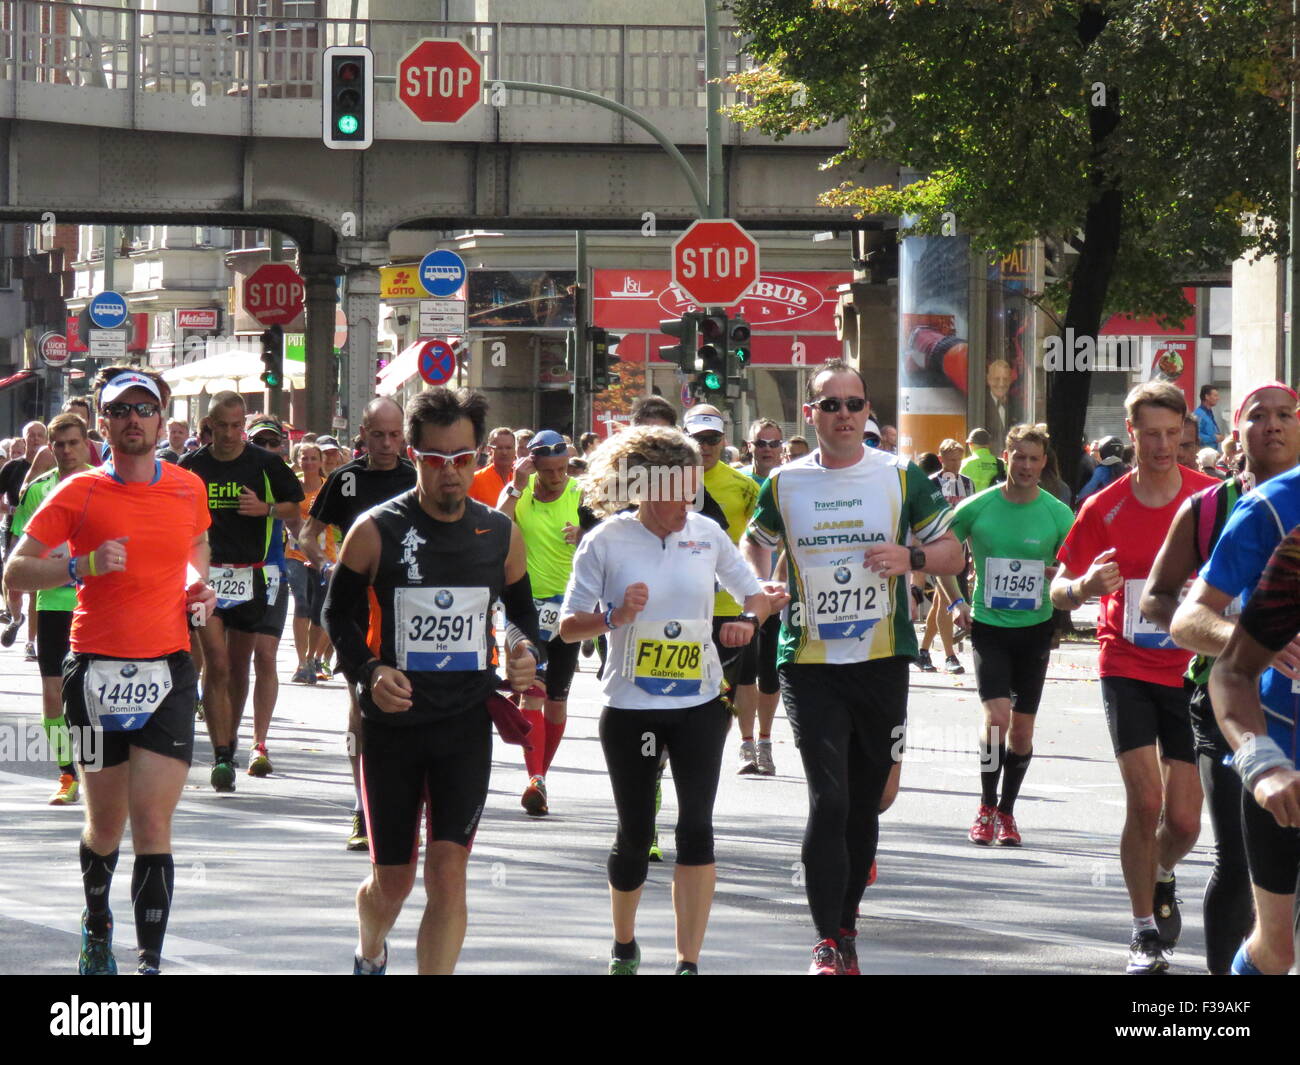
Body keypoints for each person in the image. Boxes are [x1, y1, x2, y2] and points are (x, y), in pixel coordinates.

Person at [743, 359, 964, 975]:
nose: (843, 414)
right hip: (808, 662)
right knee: (829, 799)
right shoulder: (784, 482)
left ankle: (848, 925)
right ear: (810, 414)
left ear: (869, 413)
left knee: (867, 803)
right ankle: (826, 941)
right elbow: (756, 540)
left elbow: (952, 552)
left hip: (883, 660)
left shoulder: (899, 477)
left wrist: (911, 554)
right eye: (830, 404)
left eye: (854, 404)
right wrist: (760, 582)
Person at [3, 365, 215, 975]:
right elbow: (15, 571)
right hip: (94, 670)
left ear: (160, 420)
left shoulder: (185, 488)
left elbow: (196, 548)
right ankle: (97, 924)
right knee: (106, 825)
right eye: (120, 411)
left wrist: (201, 588)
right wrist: (81, 565)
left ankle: (149, 961)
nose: (132, 421)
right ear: (105, 423)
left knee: (153, 822)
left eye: (143, 410)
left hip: (168, 669)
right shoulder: (78, 492)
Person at [323, 387, 541, 975]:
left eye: (463, 458)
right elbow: (336, 615)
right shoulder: (375, 530)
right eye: (437, 459)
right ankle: (371, 950)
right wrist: (368, 673)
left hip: (464, 723)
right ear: (414, 456)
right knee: (391, 882)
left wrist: (524, 652)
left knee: (448, 874)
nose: (452, 473)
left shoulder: (499, 534)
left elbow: (521, 615)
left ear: (477, 456)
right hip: (393, 726)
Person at [559, 425, 785, 974]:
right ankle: (624, 945)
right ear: (641, 487)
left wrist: (748, 624)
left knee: (696, 830)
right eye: (676, 492)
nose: (688, 503)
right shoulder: (606, 540)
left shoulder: (706, 534)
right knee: (636, 835)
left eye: (694, 491)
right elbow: (567, 628)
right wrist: (616, 616)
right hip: (631, 706)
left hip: (699, 704)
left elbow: (754, 595)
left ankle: (688, 961)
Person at [1049, 380, 1218, 974]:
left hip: (1191, 671)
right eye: (1152, 434)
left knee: (1185, 822)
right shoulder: (1106, 506)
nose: (1164, 445)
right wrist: (1085, 588)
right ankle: (1143, 930)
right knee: (1145, 803)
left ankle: (1163, 872)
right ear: (1132, 434)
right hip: (1125, 662)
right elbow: (1059, 589)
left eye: (1174, 434)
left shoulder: (1209, 499)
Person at [1144, 380, 1300, 973]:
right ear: (1238, 430)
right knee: (1239, 875)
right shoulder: (1250, 510)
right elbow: (1174, 611)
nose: (1276, 426)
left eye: (1287, 414)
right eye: (1262, 416)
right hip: (1253, 715)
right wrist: (1260, 639)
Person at [945, 425, 1075, 847]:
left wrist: (1063, 578)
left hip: (1036, 629)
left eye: (1034, 459)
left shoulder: (1057, 513)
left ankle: (1008, 811)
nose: (1026, 466)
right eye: (1019, 457)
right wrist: (956, 603)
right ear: (1006, 456)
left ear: (1044, 463)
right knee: (996, 720)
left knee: (1021, 733)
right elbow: (941, 556)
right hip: (989, 627)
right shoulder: (977, 506)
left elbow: (1077, 569)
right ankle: (985, 806)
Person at [301, 397, 415, 849]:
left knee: (409, 707)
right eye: (378, 435)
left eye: (394, 435)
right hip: (356, 610)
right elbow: (308, 535)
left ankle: (406, 805)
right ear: (362, 433)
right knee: (362, 703)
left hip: (409, 611)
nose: (387, 444)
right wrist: (329, 567)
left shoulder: (416, 477)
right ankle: (362, 805)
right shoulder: (345, 480)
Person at [179, 392, 303, 791]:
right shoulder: (191, 466)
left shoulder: (265, 463)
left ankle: (230, 743)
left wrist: (265, 509)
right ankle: (220, 755)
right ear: (209, 425)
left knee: (238, 663)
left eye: (238, 426)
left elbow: (294, 508)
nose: (231, 434)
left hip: (251, 577)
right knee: (215, 661)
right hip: (206, 577)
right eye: (223, 426)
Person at [1207, 524, 1300, 974]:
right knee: (1276, 952)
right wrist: (1262, 762)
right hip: (1285, 766)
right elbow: (1230, 672)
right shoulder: (1279, 519)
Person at [497, 428, 598, 815]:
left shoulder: (580, 494)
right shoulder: (520, 496)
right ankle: (534, 777)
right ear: (533, 465)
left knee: (557, 699)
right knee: (532, 692)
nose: (557, 477)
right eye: (549, 471)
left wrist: (585, 534)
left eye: (562, 469)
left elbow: (611, 535)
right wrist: (517, 486)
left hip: (572, 606)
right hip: (524, 607)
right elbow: (493, 526)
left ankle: (540, 775)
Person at [6, 412, 93, 804]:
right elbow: (19, 556)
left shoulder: (103, 484)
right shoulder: (39, 490)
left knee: (92, 693)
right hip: (54, 602)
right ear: (49, 449)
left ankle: (93, 768)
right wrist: (15, 600)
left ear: (86, 444)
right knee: (51, 692)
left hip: (97, 603)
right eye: (59, 445)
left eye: (73, 443)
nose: (66, 451)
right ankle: (66, 773)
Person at [683, 406, 763, 774]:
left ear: (724, 440)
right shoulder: (669, 480)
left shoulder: (744, 486)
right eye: (697, 438)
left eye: (712, 439)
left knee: (737, 682)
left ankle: (746, 744)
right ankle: (687, 743)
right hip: (683, 604)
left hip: (730, 602)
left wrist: (761, 587)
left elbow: (761, 540)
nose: (705, 446)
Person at [237, 414, 297, 776]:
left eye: (273, 443)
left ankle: (259, 742)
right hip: (228, 575)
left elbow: (298, 514)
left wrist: (267, 510)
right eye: (260, 442)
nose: (268, 448)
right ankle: (225, 739)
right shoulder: (231, 470)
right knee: (232, 660)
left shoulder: (280, 474)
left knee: (265, 656)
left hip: (271, 574)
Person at [738, 417, 785, 775]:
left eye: (773, 443)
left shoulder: (789, 483)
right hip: (739, 592)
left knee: (769, 673)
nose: (767, 449)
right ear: (749, 446)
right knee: (744, 673)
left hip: (778, 593)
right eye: (760, 443)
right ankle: (746, 744)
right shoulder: (738, 481)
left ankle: (766, 742)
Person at [918, 439, 975, 674]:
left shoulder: (968, 484)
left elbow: (970, 516)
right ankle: (950, 655)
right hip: (936, 547)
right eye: (951, 460)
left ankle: (922, 651)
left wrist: (972, 553)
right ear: (941, 459)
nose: (956, 464)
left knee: (942, 601)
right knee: (946, 598)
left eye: (959, 459)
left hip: (959, 548)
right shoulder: (931, 483)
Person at [285, 441, 334, 685]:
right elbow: (284, 512)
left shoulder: (328, 488)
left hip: (323, 556)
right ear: (298, 460)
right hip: (295, 554)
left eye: (314, 458)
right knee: (302, 603)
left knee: (318, 609)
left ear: (321, 461)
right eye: (304, 458)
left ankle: (313, 657)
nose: (309, 463)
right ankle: (301, 661)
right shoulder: (293, 486)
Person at [1, 420, 46, 654]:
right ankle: (16, 618)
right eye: (32, 435)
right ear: (24, 438)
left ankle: (31, 642)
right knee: (13, 585)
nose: (36, 439)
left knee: (36, 591)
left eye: (40, 435)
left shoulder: (53, 469)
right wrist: (11, 510)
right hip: (14, 531)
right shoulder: (12, 468)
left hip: (43, 534)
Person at [468, 426, 516, 507]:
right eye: (499, 448)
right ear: (489, 450)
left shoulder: (518, 479)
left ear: (515, 450)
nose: (504, 452)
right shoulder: (476, 479)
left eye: (508, 448)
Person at [1074, 435, 1125, 505]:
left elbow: (1090, 487)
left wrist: (1077, 500)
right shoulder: (1126, 468)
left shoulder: (1102, 469)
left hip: (1105, 505)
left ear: (1104, 450)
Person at [1195, 384, 1224, 451]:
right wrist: (1214, 438)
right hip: (1204, 456)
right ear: (1207, 396)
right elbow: (1195, 436)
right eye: (1215, 396)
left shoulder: (1209, 413)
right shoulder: (1198, 414)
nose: (1218, 398)